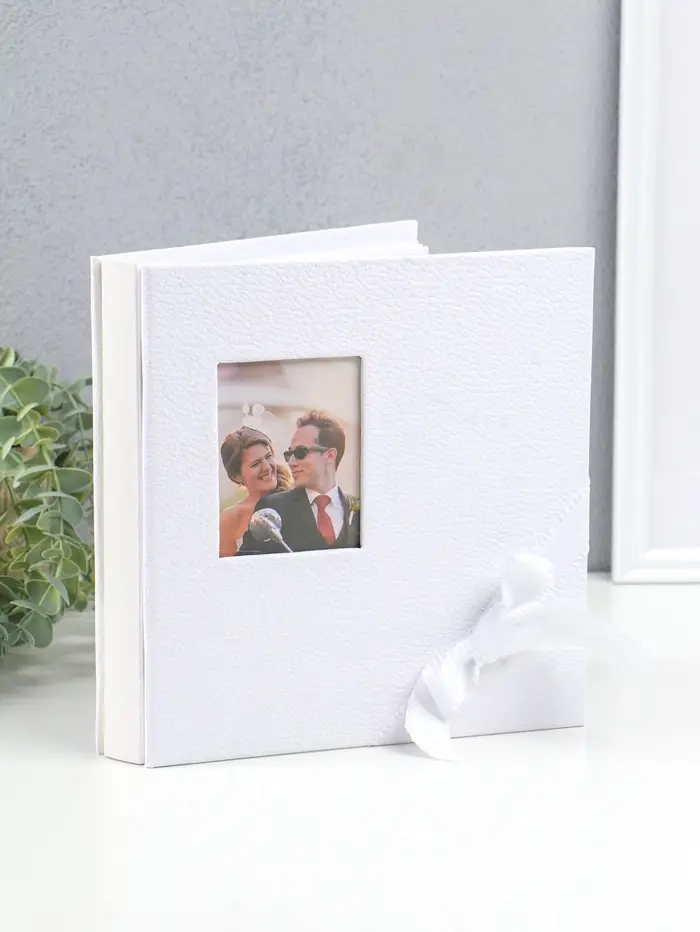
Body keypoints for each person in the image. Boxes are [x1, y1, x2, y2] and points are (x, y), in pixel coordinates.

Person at [237, 410, 361, 555]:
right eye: (289, 454)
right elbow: (246, 563)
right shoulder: (272, 509)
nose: (291, 462)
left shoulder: (361, 511)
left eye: (301, 452)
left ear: (330, 455)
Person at [219, 427, 293, 557]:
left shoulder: (299, 500)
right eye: (256, 464)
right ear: (237, 476)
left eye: (268, 457)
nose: (267, 467)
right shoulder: (230, 518)